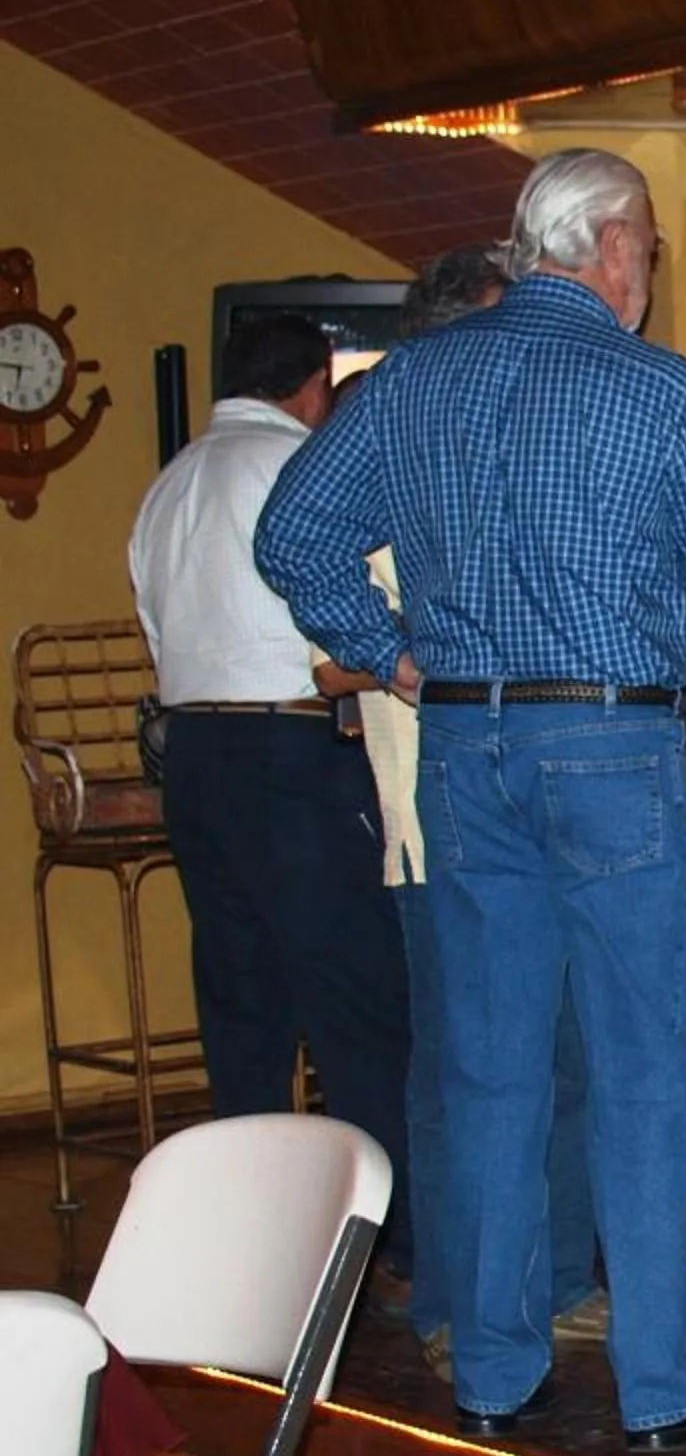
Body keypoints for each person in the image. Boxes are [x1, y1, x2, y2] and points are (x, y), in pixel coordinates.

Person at [256, 148, 686, 1452]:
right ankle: (662, 1385)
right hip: (610, 745)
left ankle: (496, 1370)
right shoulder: (659, 392)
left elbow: (292, 536)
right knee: (648, 1069)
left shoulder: (413, 382)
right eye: (651, 246)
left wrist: (383, 649)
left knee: (490, 1065)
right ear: (608, 245)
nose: (651, 271)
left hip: (464, 747)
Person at [358, 245, 607, 1381]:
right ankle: (470, 1298)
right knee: (478, 1072)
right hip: (439, 803)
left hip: (504, 787)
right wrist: (411, 665)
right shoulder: (396, 446)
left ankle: (538, 1287)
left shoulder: (446, 447)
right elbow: (326, 645)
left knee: (533, 1062)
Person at [129, 311, 414, 1275]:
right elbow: (336, 649)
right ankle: (381, 1239)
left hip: (194, 760)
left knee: (243, 1005)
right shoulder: (299, 473)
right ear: (313, 391)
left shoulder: (167, 486)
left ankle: (250, 1244)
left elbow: (155, 634)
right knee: (354, 1004)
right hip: (290, 750)